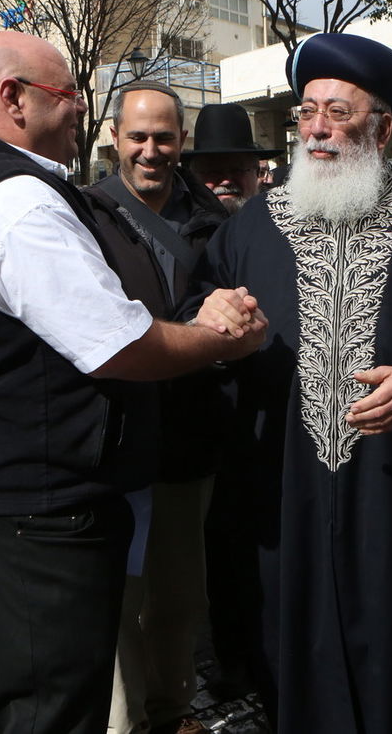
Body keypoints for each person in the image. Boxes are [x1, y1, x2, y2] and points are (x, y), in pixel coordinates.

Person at [0, 30, 266, 734]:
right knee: (50, 711)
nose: (80, 107)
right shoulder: (19, 202)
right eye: (67, 93)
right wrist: (222, 338)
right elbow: (117, 343)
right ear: (13, 97)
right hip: (30, 521)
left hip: (26, 505)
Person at [184, 31, 392, 732]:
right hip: (284, 497)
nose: (317, 129)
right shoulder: (252, 227)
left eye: (338, 112)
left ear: (383, 128)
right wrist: (209, 319)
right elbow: (198, 312)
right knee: (290, 661)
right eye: (307, 112)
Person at [83, 81, 229, 734]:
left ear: (182, 141)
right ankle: (127, 723)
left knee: (177, 597)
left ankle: (172, 712)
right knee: (118, 601)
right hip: (113, 443)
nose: (150, 150)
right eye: (137, 136)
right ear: (115, 136)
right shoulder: (85, 214)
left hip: (188, 442)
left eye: (164, 137)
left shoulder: (213, 221)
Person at [179, 101, 281, 701]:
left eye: (236, 168)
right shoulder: (181, 228)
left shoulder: (282, 222)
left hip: (272, 417)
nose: (223, 180)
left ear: (256, 172)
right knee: (221, 551)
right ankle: (233, 658)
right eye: (211, 169)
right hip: (206, 419)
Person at [183, 102, 280, 214]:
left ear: (257, 173)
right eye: (213, 171)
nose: (226, 181)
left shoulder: (275, 221)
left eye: (237, 170)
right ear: (194, 177)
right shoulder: (179, 223)